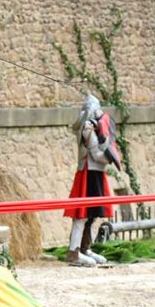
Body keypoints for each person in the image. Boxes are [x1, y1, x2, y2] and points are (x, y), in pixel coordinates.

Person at [64, 94, 121, 266]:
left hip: (96, 173)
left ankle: (84, 248)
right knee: (81, 215)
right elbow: (97, 154)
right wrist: (107, 148)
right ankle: (74, 252)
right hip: (88, 172)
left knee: (92, 215)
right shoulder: (87, 128)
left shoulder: (95, 126)